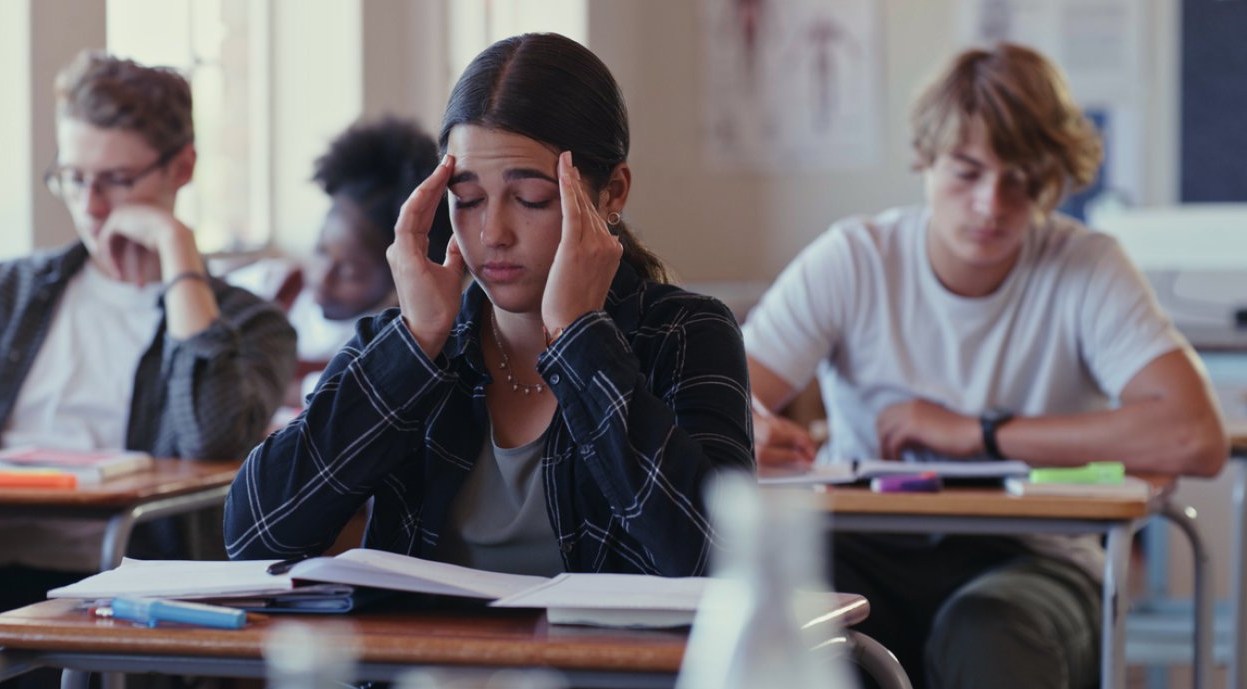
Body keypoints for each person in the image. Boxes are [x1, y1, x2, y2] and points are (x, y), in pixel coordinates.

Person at [744, 43, 1226, 688]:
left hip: (1037, 558)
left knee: (991, 633)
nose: (991, 204)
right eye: (967, 172)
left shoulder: (1086, 266)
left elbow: (1196, 437)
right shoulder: (856, 259)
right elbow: (718, 402)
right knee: (798, 620)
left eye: (1020, 179)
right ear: (926, 158)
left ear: (1051, 178)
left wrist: (977, 432)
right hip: (868, 548)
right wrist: (747, 425)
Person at [225, 32, 754, 577]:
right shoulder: (414, 343)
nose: (494, 232)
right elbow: (256, 535)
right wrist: (416, 343)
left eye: (531, 199)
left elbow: (719, 562)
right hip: (424, 663)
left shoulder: (686, 333)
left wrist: (580, 338)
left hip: (604, 664)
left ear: (612, 193)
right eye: (468, 199)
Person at [0, 51, 296, 687]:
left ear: (182, 167)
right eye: (72, 177)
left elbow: (215, 438)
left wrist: (177, 253)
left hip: (120, 584)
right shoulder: (14, 290)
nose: (90, 205)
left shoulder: (250, 322)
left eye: (115, 179)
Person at [227, 117, 452, 401]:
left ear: (394, 277)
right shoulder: (272, 284)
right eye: (321, 251)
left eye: (350, 271)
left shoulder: (384, 345)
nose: (324, 275)